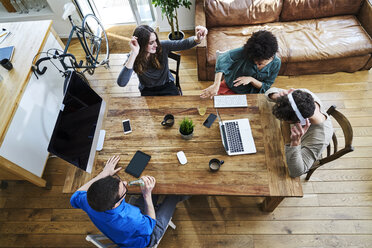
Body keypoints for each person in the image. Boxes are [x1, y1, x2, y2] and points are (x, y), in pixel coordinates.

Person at [70, 155, 187, 247]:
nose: (126, 183)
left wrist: (104, 173)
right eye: (124, 189)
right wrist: (147, 195)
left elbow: (76, 195)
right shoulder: (131, 218)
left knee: (154, 189)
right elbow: (150, 226)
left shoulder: (87, 200)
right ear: (116, 204)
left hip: (119, 234)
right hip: (147, 236)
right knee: (174, 194)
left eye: (119, 181)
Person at [117, 25, 208, 96]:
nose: (156, 45)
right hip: (147, 89)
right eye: (151, 42)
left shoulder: (162, 46)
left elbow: (183, 44)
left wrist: (197, 39)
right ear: (141, 44)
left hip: (166, 85)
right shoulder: (134, 55)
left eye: (156, 40)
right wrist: (134, 53)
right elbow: (121, 83)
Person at [265, 87, 334, 177]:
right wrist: (275, 96)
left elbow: (296, 172)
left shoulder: (320, 138)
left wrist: (295, 143)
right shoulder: (302, 96)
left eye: (285, 120)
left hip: (289, 150)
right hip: (282, 137)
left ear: (300, 122)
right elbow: (269, 91)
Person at [200, 30, 281, 99]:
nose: (256, 63)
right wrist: (216, 84)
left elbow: (266, 87)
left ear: (271, 56)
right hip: (231, 88)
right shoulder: (247, 51)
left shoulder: (276, 63)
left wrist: (251, 80)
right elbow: (221, 59)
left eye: (260, 62)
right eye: (254, 60)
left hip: (254, 95)